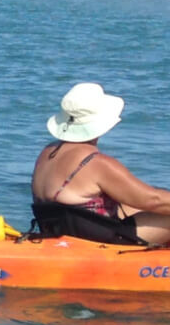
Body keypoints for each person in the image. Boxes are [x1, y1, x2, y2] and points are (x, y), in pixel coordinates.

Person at [30, 82, 170, 246]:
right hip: (98, 242)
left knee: (138, 204)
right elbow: (153, 199)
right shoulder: (96, 163)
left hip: (61, 231)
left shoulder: (48, 151)